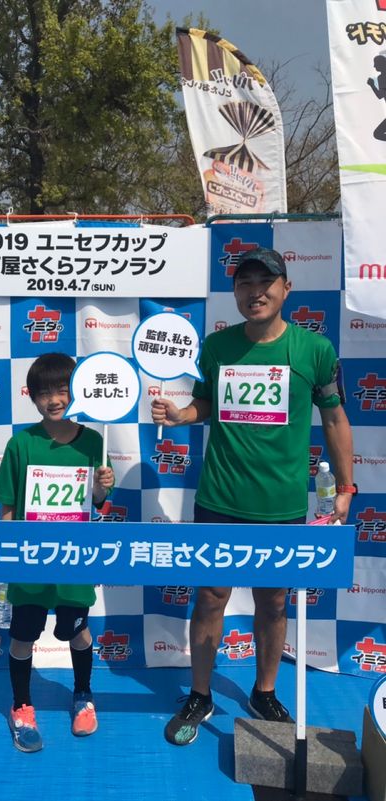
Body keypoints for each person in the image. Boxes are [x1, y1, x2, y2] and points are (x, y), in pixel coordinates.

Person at [151, 247, 354, 746]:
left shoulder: (316, 351)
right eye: (244, 284)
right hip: (218, 499)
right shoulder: (217, 348)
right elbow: (206, 404)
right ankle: (200, 694)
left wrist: (345, 488)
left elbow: (334, 419)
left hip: (281, 507)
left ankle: (264, 691)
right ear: (234, 293)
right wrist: (180, 415)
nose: (254, 292)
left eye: (266, 282)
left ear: (287, 289)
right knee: (211, 597)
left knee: (275, 604)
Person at [0, 352, 115, 753]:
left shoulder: (95, 441)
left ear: (77, 391)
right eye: (44, 392)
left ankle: (83, 695)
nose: (54, 399)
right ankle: (21, 705)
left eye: (62, 389)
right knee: (21, 637)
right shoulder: (21, 443)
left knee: (77, 632)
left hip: (74, 563)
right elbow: (7, 509)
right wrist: (10, 556)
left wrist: (101, 487)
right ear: (33, 397)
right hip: (30, 563)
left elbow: (98, 502)